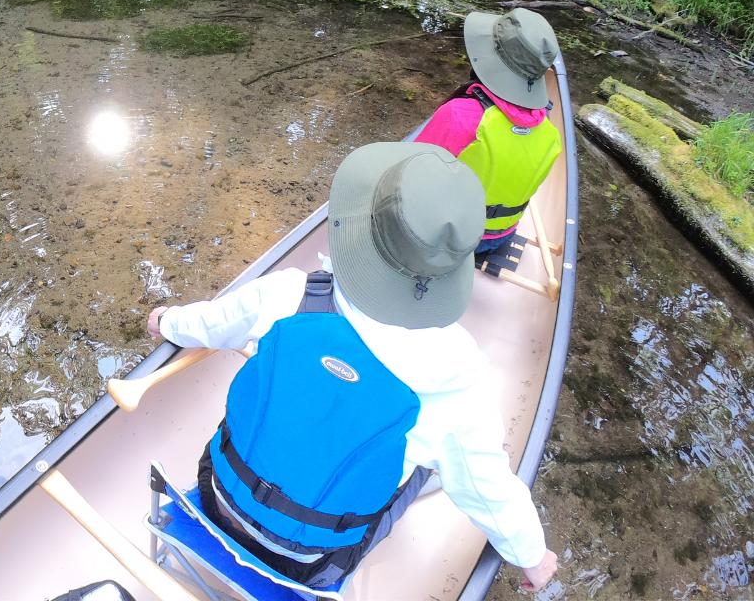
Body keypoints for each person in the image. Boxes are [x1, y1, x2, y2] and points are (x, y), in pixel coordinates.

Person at [147, 142, 559, 593]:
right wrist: (533, 558)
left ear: (363, 229)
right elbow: (490, 492)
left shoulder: (291, 293)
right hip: (311, 562)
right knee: (433, 462)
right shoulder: (458, 387)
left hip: (217, 496)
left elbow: (210, 322)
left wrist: (166, 320)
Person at [414, 8, 561, 253]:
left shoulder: (459, 114)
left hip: (449, 240)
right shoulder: (550, 132)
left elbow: (410, 173)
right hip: (500, 236)